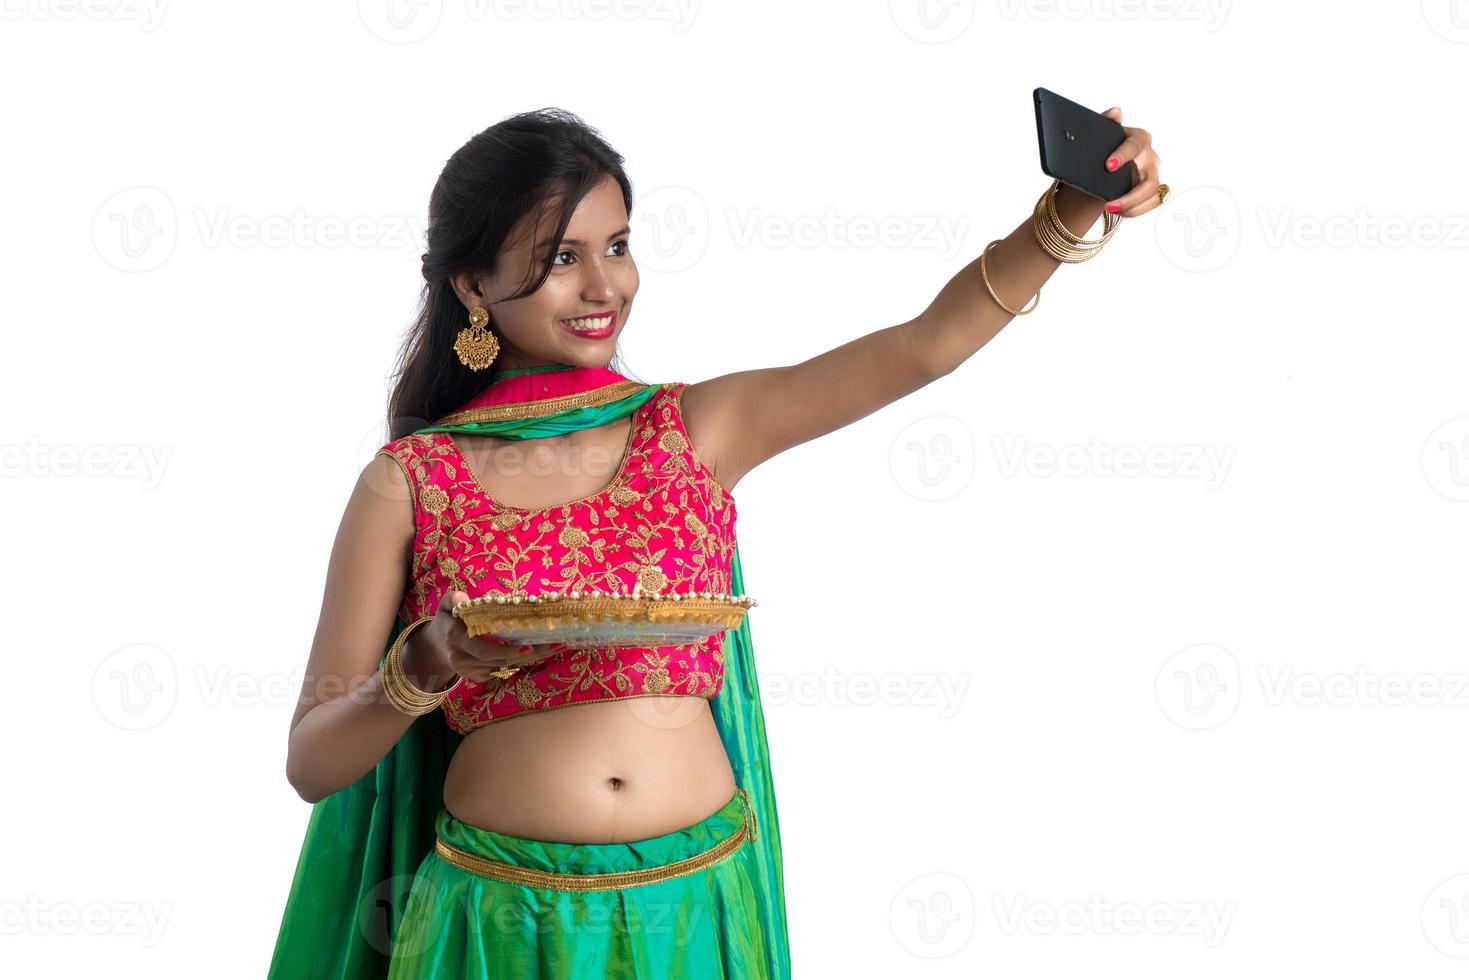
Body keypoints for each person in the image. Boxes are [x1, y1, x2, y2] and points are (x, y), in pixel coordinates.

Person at [269, 106, 1165, 978]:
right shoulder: (411, 479)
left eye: (617, 247)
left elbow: (924, 347)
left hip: (695, 909)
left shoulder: (694, 426)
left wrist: (1070, 210)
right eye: (559, 260)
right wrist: (425, 664)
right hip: (500, 925)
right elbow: (314, 763)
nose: (602, 288)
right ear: (470, 285)